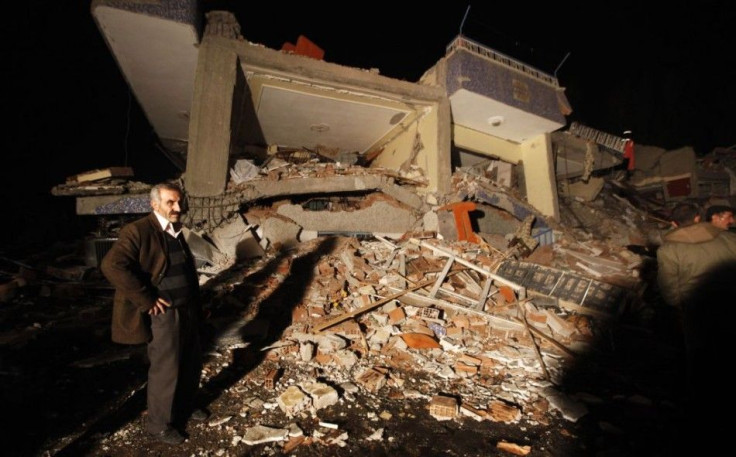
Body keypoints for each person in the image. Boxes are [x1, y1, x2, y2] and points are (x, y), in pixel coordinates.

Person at [101, 182, 208, 445]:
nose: (178, 207)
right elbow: (112, 265)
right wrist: (146, 299)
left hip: (187, 309)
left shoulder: (174, 230)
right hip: (165, 314)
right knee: (166, 369)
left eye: (179, 202)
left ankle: (183, 407)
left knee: (190, 363)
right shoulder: (138, 230)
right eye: (171, 202)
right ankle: (159, 424)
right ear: (154, 204)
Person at [656, 201, 736, 441]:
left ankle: (707, 426)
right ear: (700, 219)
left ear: (673, 224)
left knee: (704, 369)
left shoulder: (669, 251)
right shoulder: (729, 239)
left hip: (701, 317)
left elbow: (670, 294)